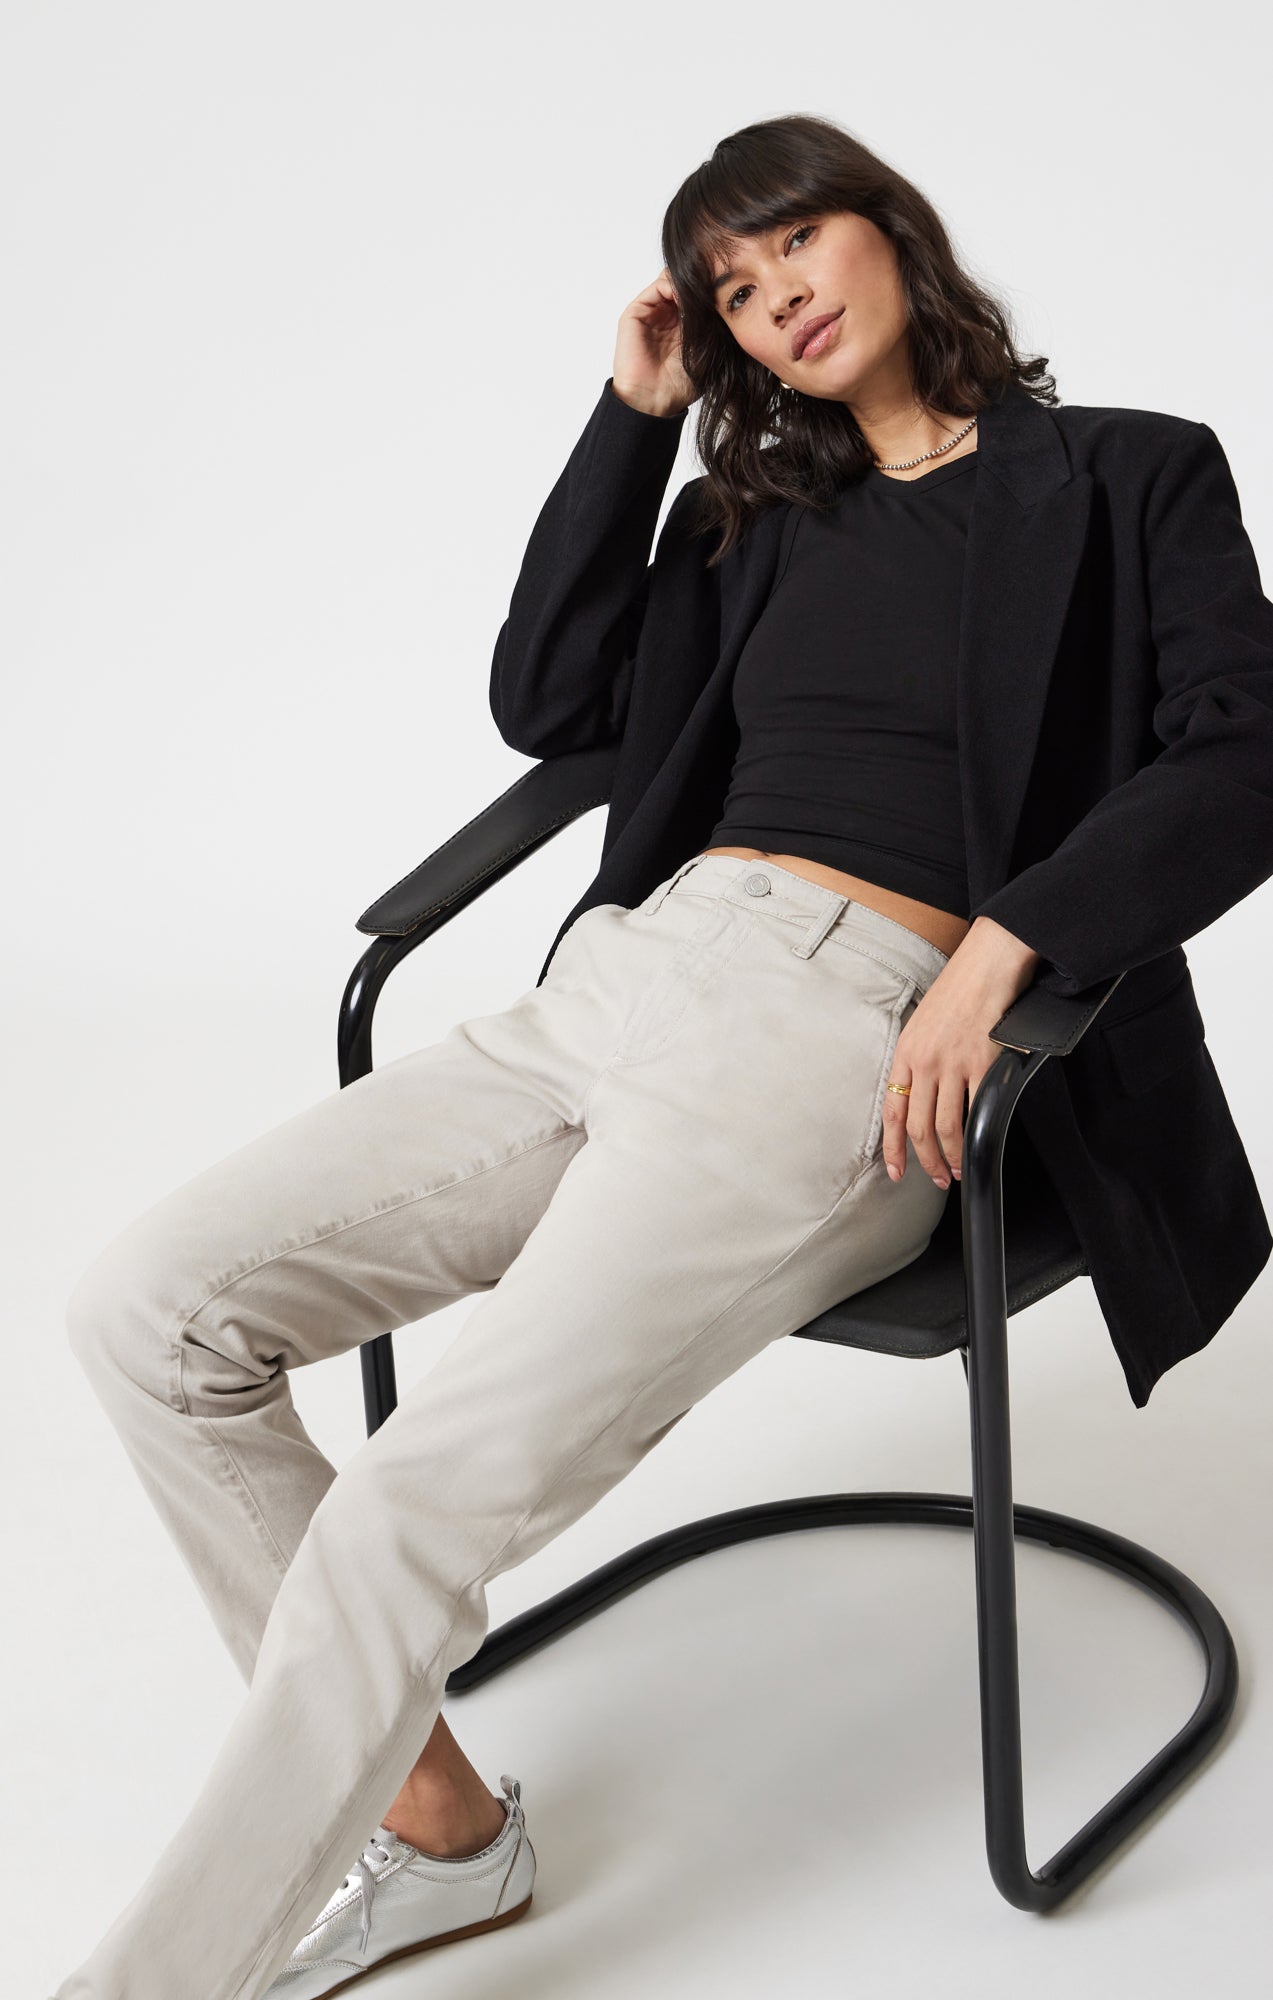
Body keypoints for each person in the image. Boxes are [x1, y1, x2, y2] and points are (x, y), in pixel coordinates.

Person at [51, 112, 1273, 2000]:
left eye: (793, 242)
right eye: (728, 287)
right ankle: (439, 1830)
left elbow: (1245, 745)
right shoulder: (751, 521)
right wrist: (631, 420)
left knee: (408, 1509)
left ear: (890, 230)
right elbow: (547, 698)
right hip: (624, 982)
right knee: (151, 1313)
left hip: (860, 1035)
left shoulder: (1124, 475)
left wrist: (1009, 942)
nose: (771, 297)